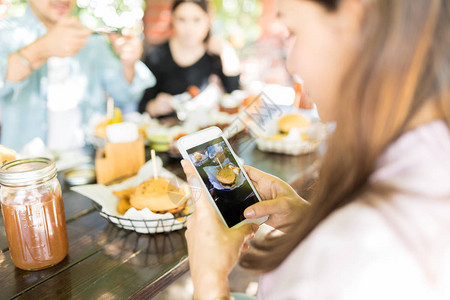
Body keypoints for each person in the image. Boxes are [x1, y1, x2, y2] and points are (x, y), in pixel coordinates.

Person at [181, 0, 450, 299]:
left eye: (293, 31)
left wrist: (208, 279)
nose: (292, 64)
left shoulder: (379, 236)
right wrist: (306, 220)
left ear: (354, 16)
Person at [0, 0, 155, 151]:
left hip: (85, 163)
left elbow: (126, 96)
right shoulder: (5, 33)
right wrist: (42, 49)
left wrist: (128, 63)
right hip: (24, 167)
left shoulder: (90, 39)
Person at [139, 0, 240, 118]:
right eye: (182, 19)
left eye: (196, 20)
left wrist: (227, 53)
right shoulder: (156, 56)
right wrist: (153, 107)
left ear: (208, 20)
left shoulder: (215, 54)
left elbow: (233, 93)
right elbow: (142, 105)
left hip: (207, 129)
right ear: (172, 20)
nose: (189, 28)